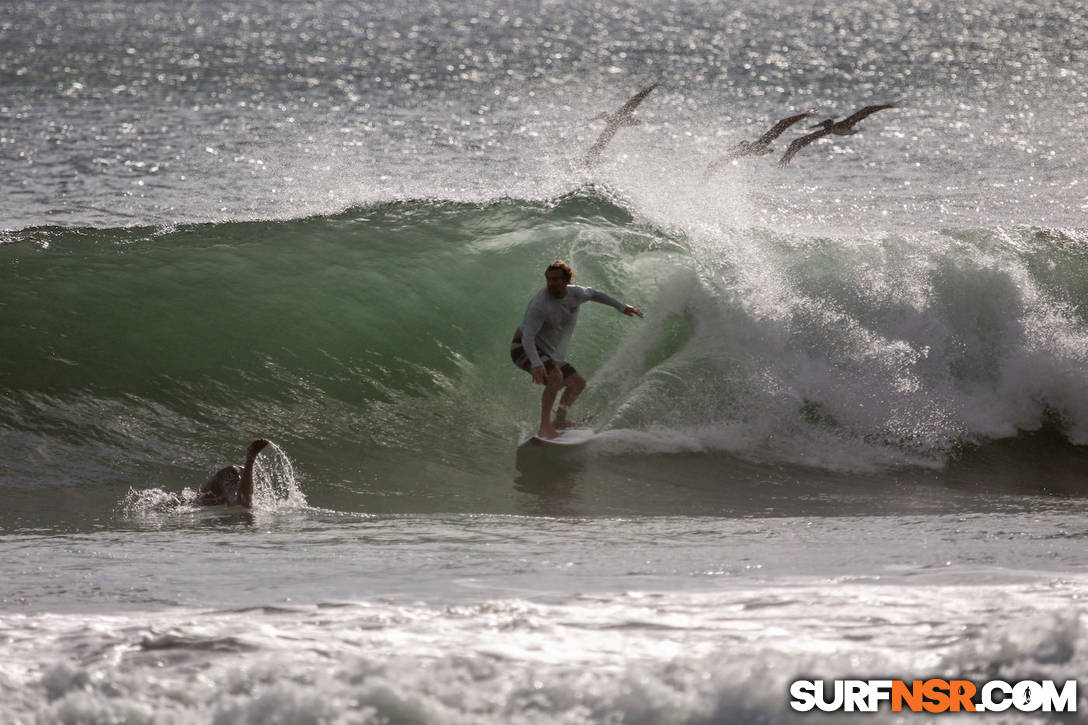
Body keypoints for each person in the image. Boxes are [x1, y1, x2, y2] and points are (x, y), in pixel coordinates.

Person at [511, 260, 643, 439]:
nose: (551, 283)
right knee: (556, 376)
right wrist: (536, 363)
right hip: (523, 348)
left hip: (547, 352)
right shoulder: (540, 305)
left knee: (577, 383)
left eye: (556, 279)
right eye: (548, 279)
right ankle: (545, 427)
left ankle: (560, 420)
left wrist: (621, 306)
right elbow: (527, 337)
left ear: (566, 280)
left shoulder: (576, 293)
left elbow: (595, 294)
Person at [193, 438, 270, 507]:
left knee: (240, 503)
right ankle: (250, 460)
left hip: (227, 479)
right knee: (240, 503)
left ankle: (250, 460)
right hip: (225, 478)